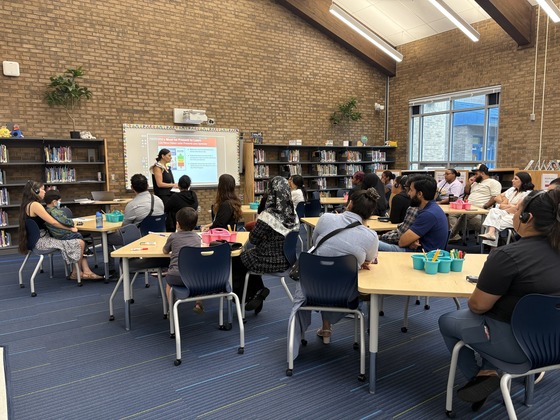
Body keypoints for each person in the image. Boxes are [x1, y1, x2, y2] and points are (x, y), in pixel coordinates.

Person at [439, 189, 560, 411]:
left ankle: (480, 376)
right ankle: (488, 370)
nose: (513, 213)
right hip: (555, 345)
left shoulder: (508, 255)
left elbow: (477, 305)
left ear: (527, 218)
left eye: (517, 209)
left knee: (448, 320)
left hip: (517, 348)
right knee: (497, 319)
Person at [290, 188, 379, 350]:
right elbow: (370, 260)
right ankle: (329, 327)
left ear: (350, 203)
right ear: (370, 214)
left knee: (326, 267)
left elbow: (317, 244)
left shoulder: (326, 218)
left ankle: (324, 328)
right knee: (341, 274)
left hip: (311, 288)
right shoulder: (370, 236)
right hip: (344, 294)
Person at [234, 176, 299, 314]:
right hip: (287, 261)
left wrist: (263, 236)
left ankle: (249, 294)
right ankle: (258, 291)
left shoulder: (268, 215)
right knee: (248, 259)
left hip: (266, 260)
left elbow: (253, 239)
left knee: (239, 259)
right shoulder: (293, 213)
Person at [18, 181, 103, 280]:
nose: (45, 192)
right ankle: (77, 273)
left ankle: (84, 271)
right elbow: (53, 222)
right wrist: (69, 228)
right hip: (42, 241)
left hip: (37, 239)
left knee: (79, 241)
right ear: (36, 191)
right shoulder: (35, 205)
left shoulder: (27, 204)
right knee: (80, 242)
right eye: (43, 189)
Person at [378, 175, 448, 252]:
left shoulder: (428, 214)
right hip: (423, 251)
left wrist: (409, 241)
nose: (408, 193)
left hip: (421, 255)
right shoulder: (433, 208)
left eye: (411, 190)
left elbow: (402, 242)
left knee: (374, 243)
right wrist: (411, 241)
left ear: (420, 194)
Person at [162, 207, 204, 313]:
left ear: (178, 224)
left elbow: (165, 251)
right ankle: (198, 304)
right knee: (199, 280)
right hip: (194, 277)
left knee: (168, 284)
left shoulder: (173, 236)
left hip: (175, 276)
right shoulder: (197, 237)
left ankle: (171, 308)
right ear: (195, 225)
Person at [107, 174, 165, 248]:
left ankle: (110, 259)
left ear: (132, 188)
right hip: (158, 235)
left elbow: (124, 228)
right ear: (147, 186)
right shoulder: (159, 200)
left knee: (107, 239)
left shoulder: (132, 205)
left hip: (139, 236)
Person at [479, 172, 534, 246]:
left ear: (522, 181)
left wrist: (507, 204)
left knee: (492, 222)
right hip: (506, 214)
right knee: (493, 211)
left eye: (515, 179)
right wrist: (510, 205)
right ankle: (491, 237)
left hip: (516, 217)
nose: (512, 180)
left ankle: (492, 243)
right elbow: (500, 202)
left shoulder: (527, 193)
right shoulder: (512, 190)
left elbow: (516, 209)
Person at [449, 164, 502, 242]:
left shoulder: (493, 182)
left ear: (482, 173)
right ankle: (454, 236)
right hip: (468, 207)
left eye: (476, 174)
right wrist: (468, 184)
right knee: (452, 214)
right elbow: (467, 192)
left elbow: (495, 197)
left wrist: (484, 207)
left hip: (480, 209)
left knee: (464, 216)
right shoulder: (475, 183)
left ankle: (451, 235)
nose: (474, 176)